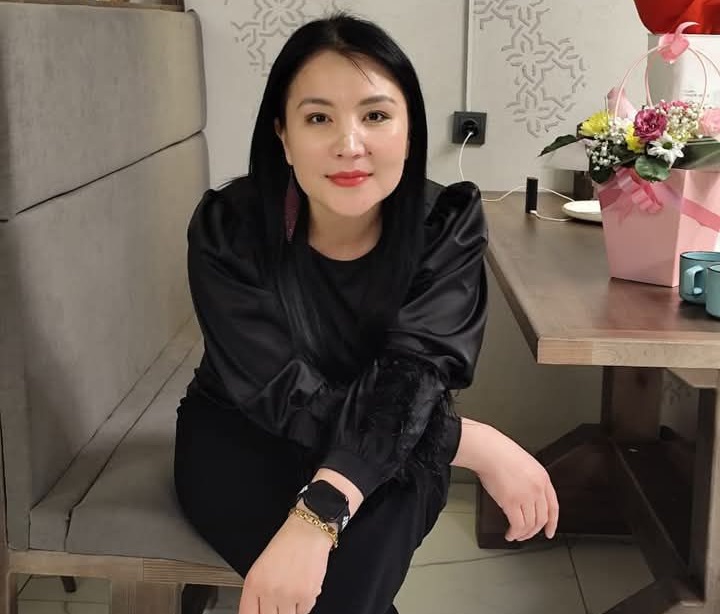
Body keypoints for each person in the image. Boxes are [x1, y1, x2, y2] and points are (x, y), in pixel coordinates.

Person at [174, 12, 559, 614]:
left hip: (393, 434)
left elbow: (416, 373)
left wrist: (321, 511)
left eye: (375, 116)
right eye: (318, 118)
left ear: (409, 130)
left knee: (347, 584)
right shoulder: (231, 229)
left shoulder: (444, 224)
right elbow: (281, 392)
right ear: (283, 135)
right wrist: (465, 440)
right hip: (245, 433)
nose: (349, 144)